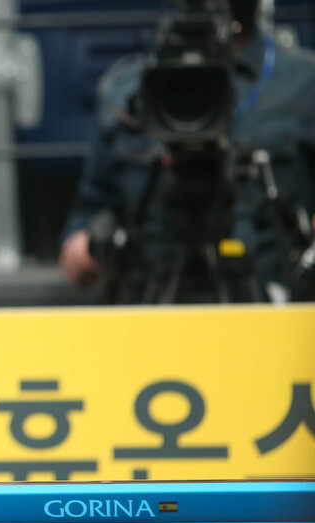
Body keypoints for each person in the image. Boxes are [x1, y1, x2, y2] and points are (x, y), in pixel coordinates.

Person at [59, 0, 315, 302]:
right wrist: (86, 248)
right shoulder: (124, 89)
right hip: (151, 310)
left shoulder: (303, 84)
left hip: (266, 308)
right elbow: (88, 214)